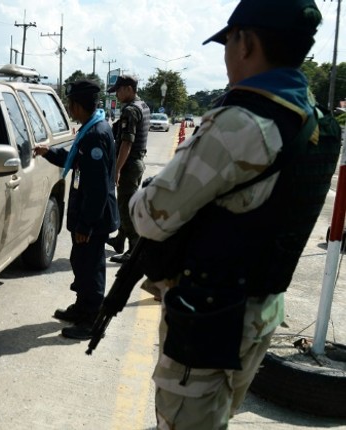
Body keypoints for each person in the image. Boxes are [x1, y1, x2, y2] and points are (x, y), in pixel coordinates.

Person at [128, 1, 335, 428]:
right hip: (259, 312)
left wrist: (145, 191)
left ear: (246, 42)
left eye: (228, 42)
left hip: (208, 320)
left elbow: (149, 215)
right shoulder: (315, 119)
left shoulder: (241, 123)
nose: (224, 56)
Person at [33, 80, 119, 340]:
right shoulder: (91, 128)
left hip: (93, 219)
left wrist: (86, 225)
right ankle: (82, 308)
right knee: (81, 264)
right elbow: (73, 159)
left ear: (78, 105)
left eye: (69, 103)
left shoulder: (95, 135)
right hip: (88, 216)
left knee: (91, 269)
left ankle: (92, 320)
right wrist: (48, 152)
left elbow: (98, 189)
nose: (68, 108)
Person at [106, 75, 150, 263]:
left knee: (126, 206)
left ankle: (133, 250)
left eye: (118, 90)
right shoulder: (143, 106)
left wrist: (116, 169)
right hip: (137, 163)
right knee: (126, 202)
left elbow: (126, 143)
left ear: (129, 89)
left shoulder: (131, 111)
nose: (116, 94)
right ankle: (120, 239)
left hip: (129, 164)